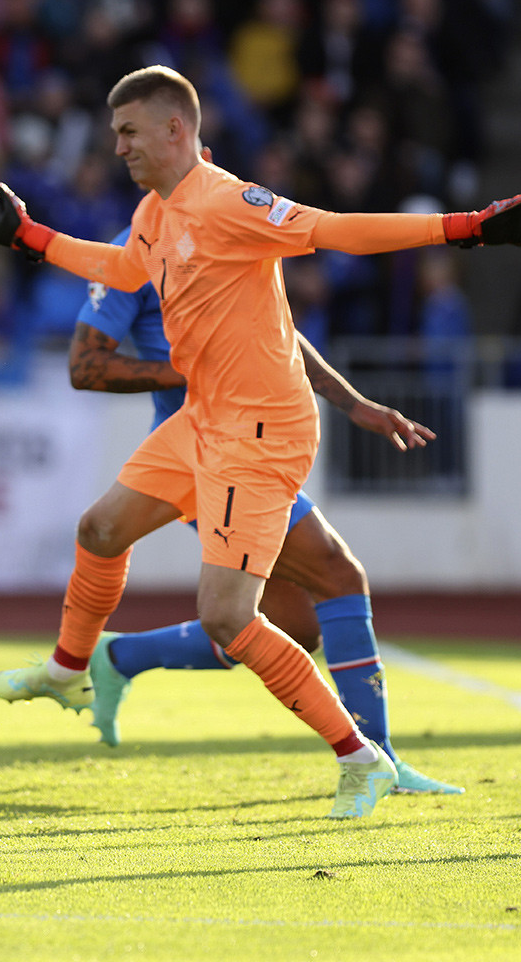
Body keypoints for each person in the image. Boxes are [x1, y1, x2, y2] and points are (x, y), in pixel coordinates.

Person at [0, 65, 521, 819]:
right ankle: (71, 669)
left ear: (177, 129)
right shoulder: (157, 211)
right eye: (115, 135)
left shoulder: (226, 201)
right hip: (205, 416)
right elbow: (122, 268)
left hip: (260, 433)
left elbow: (335, 229)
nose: (118, 147)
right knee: (100, 529)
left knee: (230, 617)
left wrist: (466, 227)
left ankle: (361, 759)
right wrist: (27, 235)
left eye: (129, 132)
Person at [64, 219, 461, 794]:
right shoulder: (135, 251)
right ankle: (382, 761)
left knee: (293, 624)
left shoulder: (219, 226)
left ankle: (120, 658)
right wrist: (197, 367)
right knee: (335, 575)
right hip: (202, 453)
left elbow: (278, 335)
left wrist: (353, 404)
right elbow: (85, 365)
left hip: (250, 442)